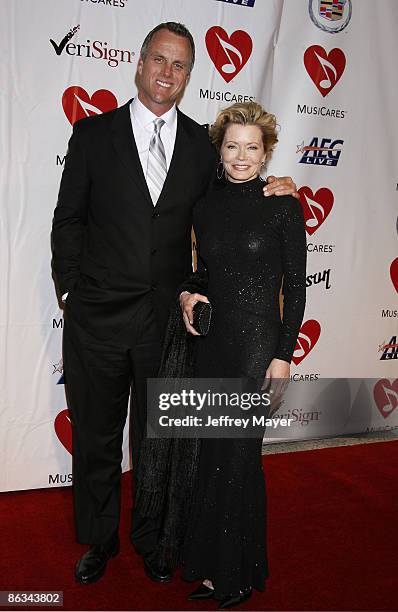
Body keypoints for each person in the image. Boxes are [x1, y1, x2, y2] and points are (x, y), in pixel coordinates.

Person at [51, 21, 298, 587]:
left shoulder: (201, 147)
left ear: (189, 76)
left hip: (171, 323)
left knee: (160, 440)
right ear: (139, 64)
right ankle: (100, 538)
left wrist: (279, 186)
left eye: (180, 64)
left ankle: (154, 539)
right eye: (159, 60)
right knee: (96, 434)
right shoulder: (92, 135)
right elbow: (67, 222)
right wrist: (70, 293)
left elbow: (239, 190)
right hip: (98, 318)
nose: (168, 72)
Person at [178, 102, 307, 608]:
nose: (241, 156)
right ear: (221, 149)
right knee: (212, 454)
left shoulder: (282, 205)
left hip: (257, 349)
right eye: (232, 146)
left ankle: (236, 575)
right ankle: (212, 570)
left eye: (252, 147)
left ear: (266, 152)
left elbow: (294, 290)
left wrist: (283, 355)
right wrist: (191, 296)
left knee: (238, 458)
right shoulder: (204, 207)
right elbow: (201, 272)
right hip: (212, 344)